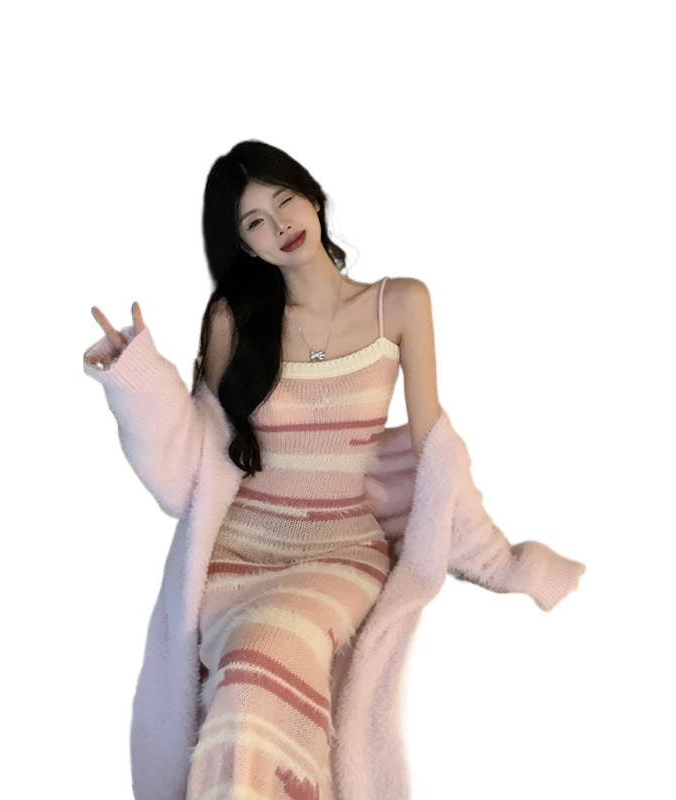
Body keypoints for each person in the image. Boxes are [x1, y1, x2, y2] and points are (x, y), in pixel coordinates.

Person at [84, 139, 442, 799]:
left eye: (285, 200)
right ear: (245, 245)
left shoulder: (401, 303)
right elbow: (193, 459)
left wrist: (492, 555)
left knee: (262, 658)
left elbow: (437, 448)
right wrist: (139, 379)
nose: (279, 225)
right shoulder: (233, 320)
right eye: (254, 221)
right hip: (241, 550)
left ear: (312, 196)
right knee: (247, 663)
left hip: (342, 550)